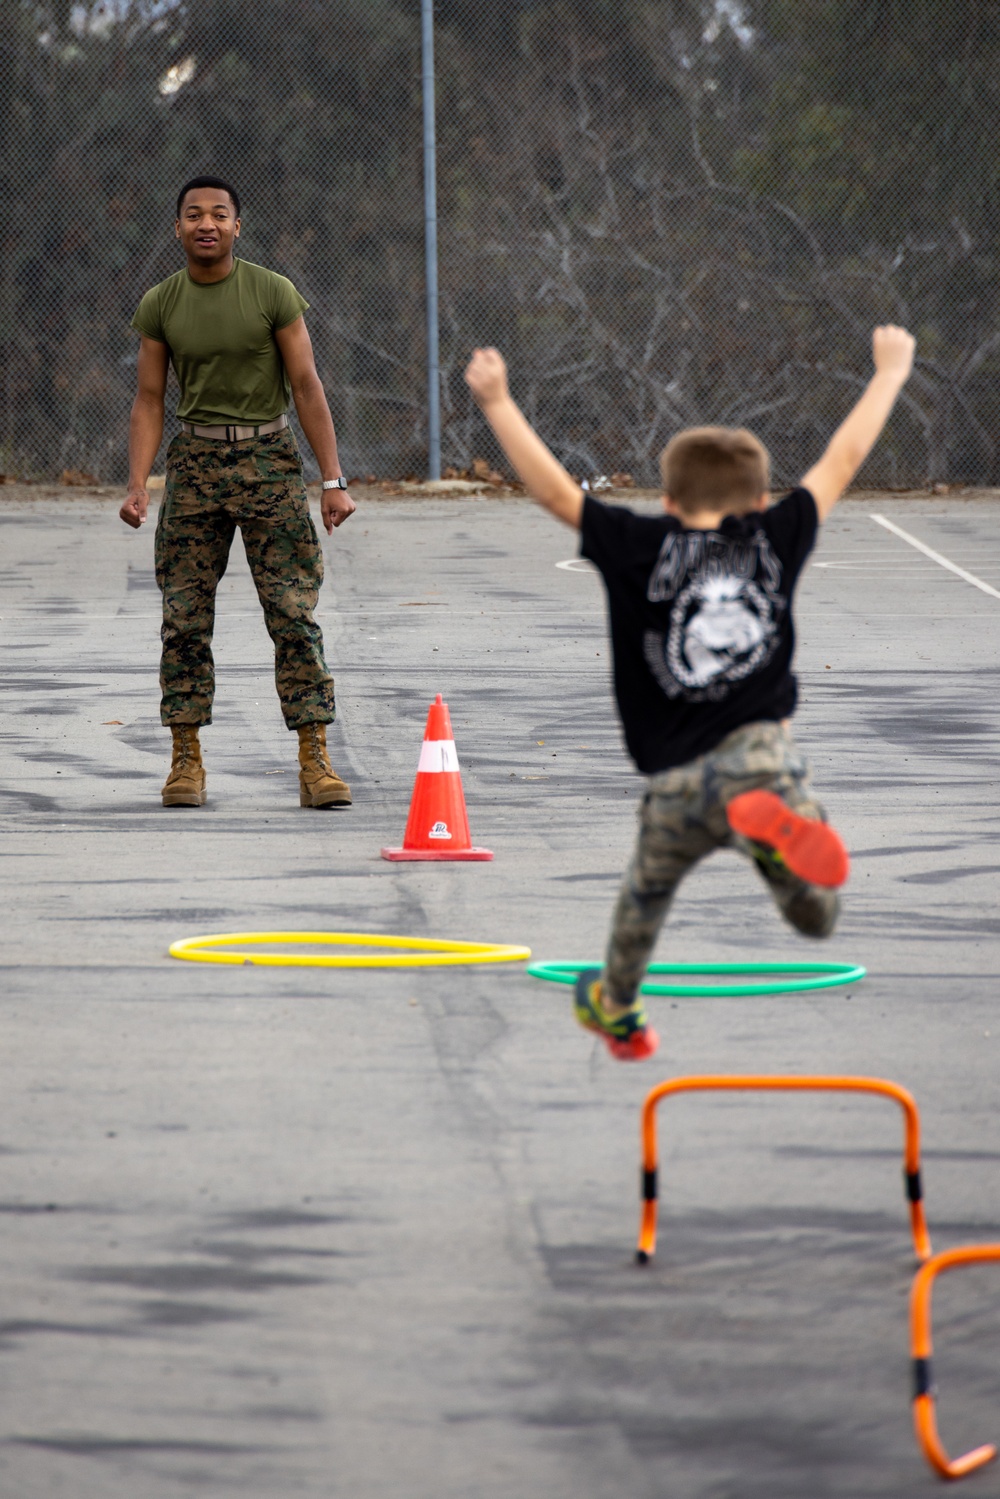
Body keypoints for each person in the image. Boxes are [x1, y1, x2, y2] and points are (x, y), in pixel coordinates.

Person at [465, 327, 916, 1060]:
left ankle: (618, 1009)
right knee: (818, 920)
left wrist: (498, 400)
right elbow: (844, 458)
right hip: (760, 757)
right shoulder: (779, 532)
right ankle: (776, 851)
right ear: (762, 497)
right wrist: (890, 373)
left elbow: (552, 489)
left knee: (643, 901)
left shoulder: (636, 542)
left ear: (668, 499)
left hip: (674, 780)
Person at [119, 175, 354, 810]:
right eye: (193, 214)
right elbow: (148, 398)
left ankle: (315, 761)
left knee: (292, 615)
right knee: (184, 620)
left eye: (219, 214)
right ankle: (185, 762)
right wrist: (138, 484)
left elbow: (307, 386)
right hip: (194, 466)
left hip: (270, 462)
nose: (206, 224)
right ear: (177, 228)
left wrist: (331, 482)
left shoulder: (272, 292)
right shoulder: (161, 304)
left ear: (236, 226)